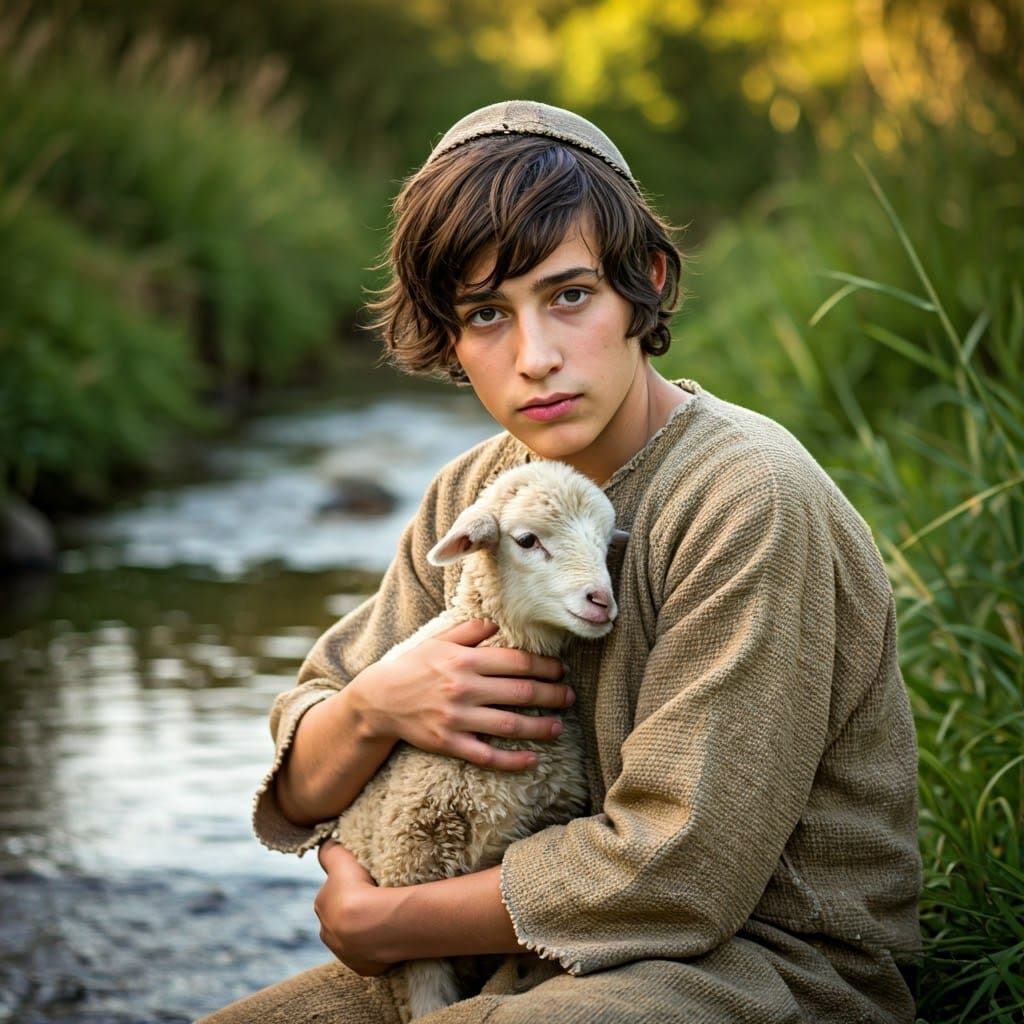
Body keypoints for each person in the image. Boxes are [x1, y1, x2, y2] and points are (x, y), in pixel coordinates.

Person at [199, 100, 921, 1024]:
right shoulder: (471, 495)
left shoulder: (746, 497)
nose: (535, 357)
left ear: (644, 283)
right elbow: (305, 781)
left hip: (754, 967)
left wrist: (388, 924)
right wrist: (377, 704)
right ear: (448, 336)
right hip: (493, 962)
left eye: (569, 296)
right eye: (486, 314)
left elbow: (682, 872)